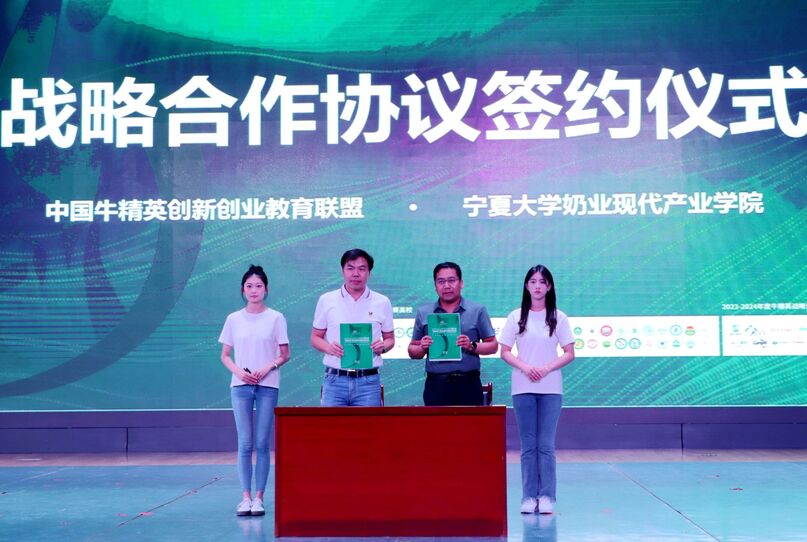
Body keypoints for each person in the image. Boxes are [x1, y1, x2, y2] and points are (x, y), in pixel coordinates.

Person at [499, 265, 575, 515]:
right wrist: (526, 367)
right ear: (526, 286)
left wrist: (545, 368)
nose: (538, 286)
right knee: (528, 445)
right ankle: (529, 496)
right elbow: (505, 351)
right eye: (533, 281)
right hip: (522, 387)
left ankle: (547, 496)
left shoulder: (559, 317)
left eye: (542, 282)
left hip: (551, 388)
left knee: (546, 445)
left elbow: (569, 353)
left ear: (549, 286)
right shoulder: (515, 317)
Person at [219, 264, 290, 517]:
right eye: (249, 286)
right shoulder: (233, 319)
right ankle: (245, 498)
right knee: (245, 442)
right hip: (240, 386)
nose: (254, 290)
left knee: (261, 443)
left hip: (267, 385)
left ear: (266, 289)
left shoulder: (276, 318)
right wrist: (239, 372)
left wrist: (268, 366)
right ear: (243, 290)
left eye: (258, 286)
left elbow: (285, 354)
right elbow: (225, 355)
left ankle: (259, 498)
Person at [310, 248, 395, 406]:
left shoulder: (382, 302)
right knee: (331, 423)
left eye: (362, 269)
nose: (356, 274)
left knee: (368, 424)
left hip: (368, 382)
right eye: (350, 268)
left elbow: (390, 339)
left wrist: (383, 347)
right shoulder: (326, 300)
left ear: (369, 273)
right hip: (335, 381)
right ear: (343, 271)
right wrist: (329, 348)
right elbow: (315, 337)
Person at [408, 262, 498, 406]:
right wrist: (422, 347)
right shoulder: (424, 313)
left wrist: (472, 345)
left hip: (469, 383)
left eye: (451, 280)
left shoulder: (477, 310)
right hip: (436, 385)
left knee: (470, 422)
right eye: (441, 281)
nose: (447, 286)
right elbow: (412, 351)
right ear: (435, 286)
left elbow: (493, 346)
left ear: (461, 283)